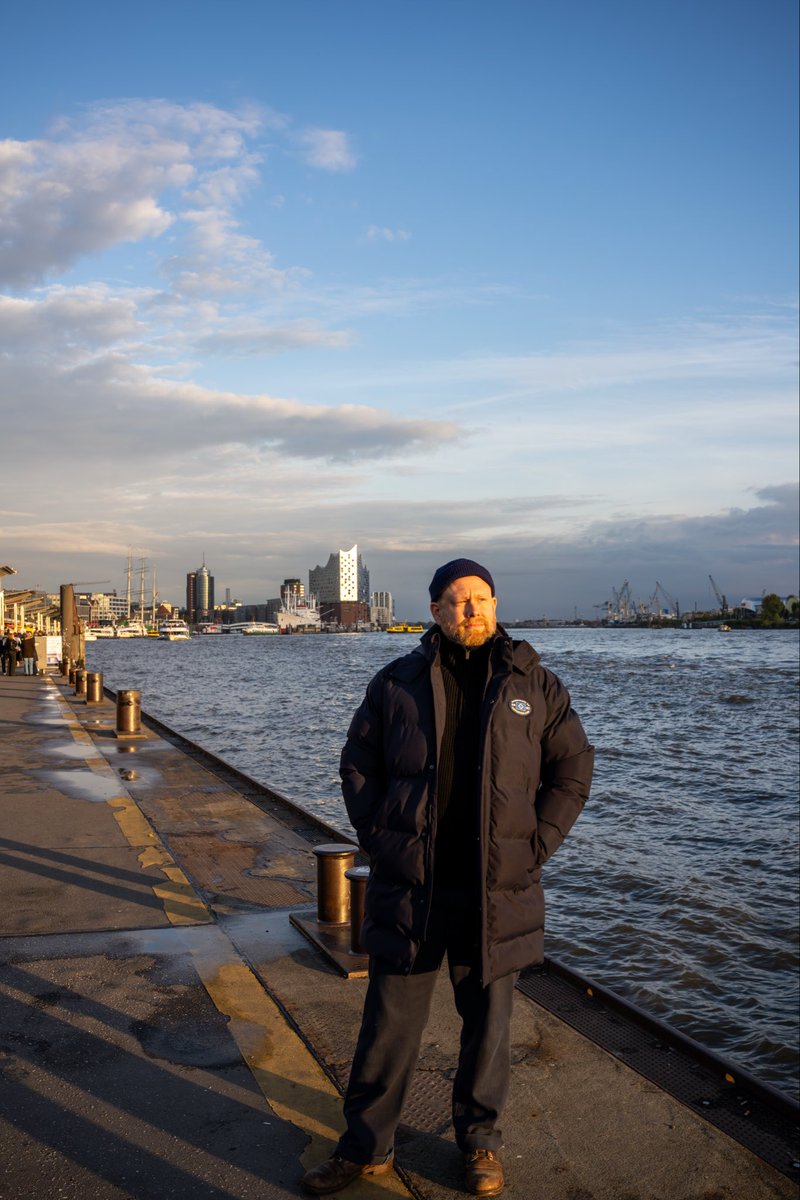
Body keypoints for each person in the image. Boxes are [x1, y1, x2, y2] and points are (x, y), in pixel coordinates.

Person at [302, 559, 594, 1198]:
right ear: (435, 610)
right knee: (387, 1026)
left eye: (482, 599)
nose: (473, 611)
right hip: (413, 887)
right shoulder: (397, 682)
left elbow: (573, 769)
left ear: (495, 605)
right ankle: (365, 1148)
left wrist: (535, 846)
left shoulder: (534, 685)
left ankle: (480, 1146)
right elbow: (358, 764)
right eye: (458, 601)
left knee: (488, 1028)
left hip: (495, 891)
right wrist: (381, 840)